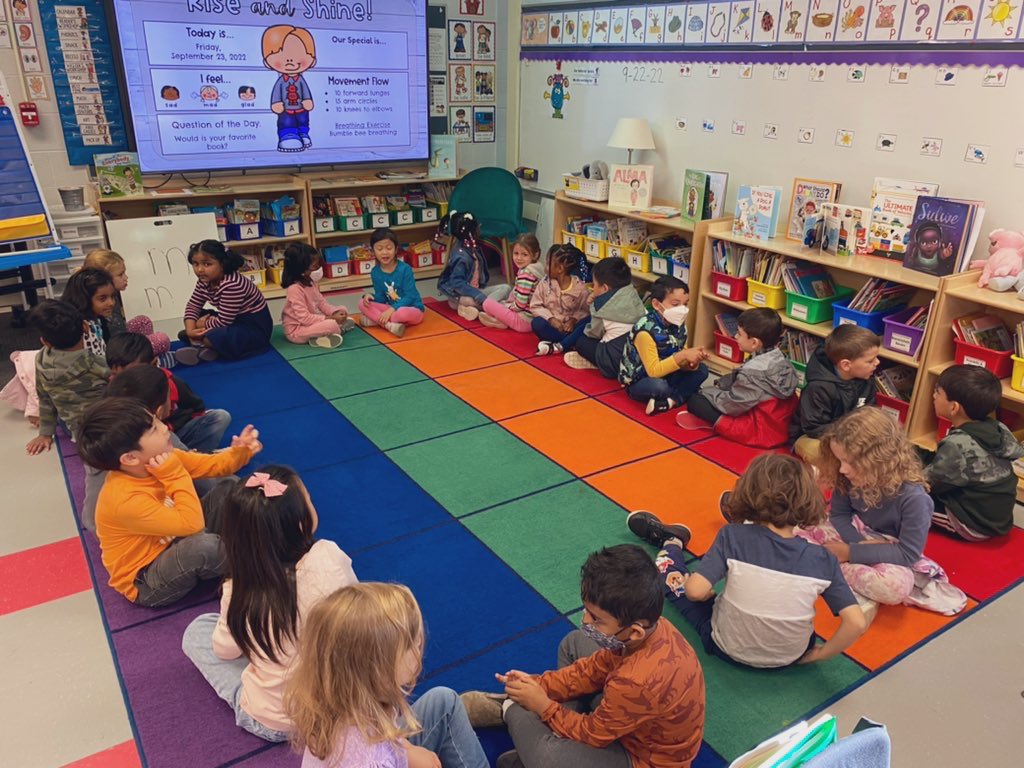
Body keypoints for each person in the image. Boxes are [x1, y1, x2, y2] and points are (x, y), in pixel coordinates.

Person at [461, 544, 705, 768]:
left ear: (635, 631)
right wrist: (538, 684)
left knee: (547, 756)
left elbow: (594, 734)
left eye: (596, 619)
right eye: (587, 611)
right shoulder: (649, 628)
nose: (586, 621)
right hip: (632, 717)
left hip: (641, 758)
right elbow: (593, 668)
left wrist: (542, 706)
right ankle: (540, 727)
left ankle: (510, 708)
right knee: (575, 642)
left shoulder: (635, 681)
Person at [628, 454, 867, 668]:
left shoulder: (733, 536)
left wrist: (705, 593)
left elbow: (693, 591)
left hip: (726, 647)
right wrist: (821, 654)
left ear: (746, 493)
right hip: (791, 656)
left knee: (672, 581)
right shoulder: (823, 558)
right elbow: (856, 623)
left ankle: (672, 542)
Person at [182, 465, 358, 742]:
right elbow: (356, 608)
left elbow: (225, 650)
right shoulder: (329, 556)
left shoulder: (238, 587)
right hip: (339, 706)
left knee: (197, 632)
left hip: (277, 720)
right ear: (300, 523)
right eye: (309, 501)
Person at [76, 397, 262, 607]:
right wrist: (174, 475)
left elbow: (213, 466)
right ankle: (256, 562)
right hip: (146, 579)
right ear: (130, 458)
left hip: (176, 536)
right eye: (154, 429)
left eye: (157, 421)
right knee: (202, 547)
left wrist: (241, 452)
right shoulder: (124, 500)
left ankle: (244, 548)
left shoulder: (162, 457)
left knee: (228, 487)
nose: (165, 428)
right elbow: (193, 525)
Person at [286, 582, 488, 768]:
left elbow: (382, 733)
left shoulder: (346, 700)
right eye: (411, 645)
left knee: (444, 700)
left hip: (386, 747)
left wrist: (407, 752)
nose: (420, 646)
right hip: (380, 754)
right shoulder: (373, 762)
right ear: (377, 670)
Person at [800, 407, 967, 615]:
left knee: (894, 587)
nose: (842, 469)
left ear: (878, 461)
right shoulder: (846, 476)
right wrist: (857, 543)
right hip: (856, 536)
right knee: (798, 529)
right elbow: (839, 515)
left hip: (890, 552)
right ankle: (827, 564)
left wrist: (850, 553)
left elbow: (907, 553)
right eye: (840, 460)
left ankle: (825, 565)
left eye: (849, 462)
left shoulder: (915, 499)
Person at [919, 365, 1024, 540]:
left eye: (938, 392)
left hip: (973, 524)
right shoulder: (997, 427)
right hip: (997, 517)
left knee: (907, 497)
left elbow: (927, 483)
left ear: (954, 407)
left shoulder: (957, 445)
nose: (933, 396)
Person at [677, 308, 799, 447]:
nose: (735, 336)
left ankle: (711, 423)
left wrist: (706, 392)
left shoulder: (753, 374)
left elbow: (731, 405)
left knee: (696, 400)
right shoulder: (780, 358)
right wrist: (720, 384)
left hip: (761, 432)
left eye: (740, 334)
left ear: (754, 343)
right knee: (715, 390)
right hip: (781, 425)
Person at [106, 332, 232, 454]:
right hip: (142, 446)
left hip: (172, 433)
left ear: (154, 364)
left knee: (219, 417)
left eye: (136, 374)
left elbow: (195, 407)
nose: (126, 382)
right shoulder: (113, 394)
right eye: (118, 376)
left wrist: (175, 424)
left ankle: (196, 457)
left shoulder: (170, 383)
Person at [24, 300, 110, 457]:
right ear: (85, 326)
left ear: (45, 342)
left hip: (70, 427)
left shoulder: (41, 360)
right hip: (104, 426)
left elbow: (45, 398)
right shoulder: (95, 363)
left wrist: (45, 433)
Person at [619, 276, 708, 415]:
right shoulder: (645, 331)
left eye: (685, 304)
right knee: (659, 386)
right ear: (656, 304)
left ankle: (669, 402)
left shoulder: (679, 325)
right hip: (641, 379)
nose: (682, 310)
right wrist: (684, 355)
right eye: (675, 304)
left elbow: (679, 354)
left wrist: (692, 362)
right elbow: (653, 371)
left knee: (702, 370)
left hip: (668, 372)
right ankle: (682, 394)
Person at [789, 324, 879, 461]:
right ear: (846, 365)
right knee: (840, 459)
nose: (877, 363)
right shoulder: (818, 388)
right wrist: (849, 437)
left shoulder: (867, 379)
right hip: (812, 438)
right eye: (870, 361)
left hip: (850, 436)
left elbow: (870, 412)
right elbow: (814, 428)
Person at [178, 240, 273, 366]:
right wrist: (190, 329)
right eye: (195, 264)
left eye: (207, 264)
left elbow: (224, 321)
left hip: (253, 327)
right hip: (233, 320)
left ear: (222, 264)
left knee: (215, 335)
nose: (200, 269)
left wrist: (202, 324)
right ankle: (203, 344)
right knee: (195, 317)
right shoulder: (204, 280)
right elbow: (193, 305)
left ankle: (201, 343)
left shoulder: (232, 284)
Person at [83, 249, 171, 363]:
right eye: (120, 275)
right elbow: (116, 339)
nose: (126, 277)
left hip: (118, 340)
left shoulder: (110, 296)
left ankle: (148, 358)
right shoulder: (104, 303)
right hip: (116, 351)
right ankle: (149, 362)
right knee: (161, 339)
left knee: (143, 321)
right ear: (105, 278)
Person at [563, 256, 645, 375]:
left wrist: (592, 304)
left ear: (605, 288)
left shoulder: (602, 306)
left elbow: (593, 333)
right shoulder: (632, 293)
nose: (593, 288)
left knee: (581, 341)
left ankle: (596, 363)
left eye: (595, 285)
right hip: (638, 358)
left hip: (613, 362)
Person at [280, 243, 352, 348]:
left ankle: (325, 334)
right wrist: (331, 318)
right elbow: (304, 318)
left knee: (342, 309)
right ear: (301, 269)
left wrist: (335, 312)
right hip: (297, 331)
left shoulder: (310, 282)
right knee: (331, 325)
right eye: (314, 267)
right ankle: (338, 329)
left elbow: (321, 303)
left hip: (311, 323)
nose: (318, 269)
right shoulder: (294, 289)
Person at [436, 211, 505, 320]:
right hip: (460, 295)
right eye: (477, 227)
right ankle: (489, 309)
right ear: (471, 232)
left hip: (474, 291)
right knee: (471, 300)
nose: (479, 228)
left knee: (505, 288)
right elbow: (457, 283)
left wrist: (479, 295)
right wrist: (478, 296)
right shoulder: (461, 257)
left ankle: (477, 308)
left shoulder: (472, 247)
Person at [358, 228, 425, 338]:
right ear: (373, 251)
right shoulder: (375, 271)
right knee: (362, 303)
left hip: (412, 309)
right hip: (391, 309)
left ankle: (376, 321)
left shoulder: (405, 269)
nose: (384, 252)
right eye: (379, 249)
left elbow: (410, 296)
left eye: (389, 248)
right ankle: (390, 326)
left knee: (401, 314)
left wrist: (391, 309)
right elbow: (382, 297)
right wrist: (371, 297)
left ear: (396, 249)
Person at [476, 233, 546, 332]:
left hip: (523, 321)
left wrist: (507, 306)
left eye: (524, 254)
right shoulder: (537, 267)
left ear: (535, 255)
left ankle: (499, 320)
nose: (519, 258)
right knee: (503, 299)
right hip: (531, 318)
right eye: (516, 253)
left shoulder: (526, 274)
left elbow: (520, 305)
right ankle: (499, 320)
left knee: (487, 303)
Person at [262, 25, 316, 152]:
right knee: (286, 122)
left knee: (303, 121)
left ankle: (303, 134)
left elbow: (305, 91)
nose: (290, 60)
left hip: (301, 108)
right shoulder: (281, 81)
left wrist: (308, 101)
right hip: (286, 110)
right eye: (281, 55)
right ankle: (288, 136)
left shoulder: (301, 80)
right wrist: (275, 103)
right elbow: (276, 93)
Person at [530, 244, 591, 356]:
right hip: (552, 327)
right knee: (537, 323)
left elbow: (586, 311)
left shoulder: (580, 288)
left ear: (560, 269)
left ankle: (563, 344)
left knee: (588, 322)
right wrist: (551, 319)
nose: (545, 267)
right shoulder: (544, 284)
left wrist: (573, 320)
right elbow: (535, 306)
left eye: (548, 264)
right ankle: (568, 343)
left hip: (571, 328)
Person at [61, 266, 116, 358]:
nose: (111, 303)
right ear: (84, 299)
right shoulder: (81, 329)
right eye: (102, 298)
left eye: (113, 296)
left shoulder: (97, 320)